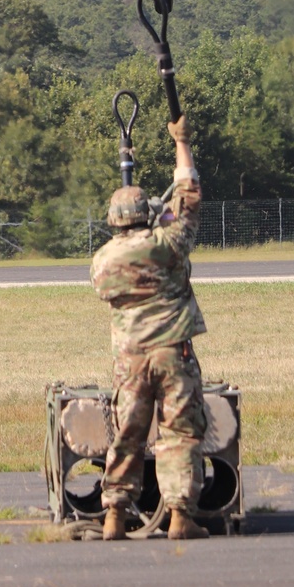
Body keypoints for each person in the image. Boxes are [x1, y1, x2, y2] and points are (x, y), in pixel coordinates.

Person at [90, 114, 209, 541]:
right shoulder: (168, 244)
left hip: (131, 358)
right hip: (173, 353)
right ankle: (180, 516)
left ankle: (114, 516)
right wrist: (182, 143)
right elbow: (189, 195)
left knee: (128, 434)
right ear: (146, 215)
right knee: (179, 432)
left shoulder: (102, 261)